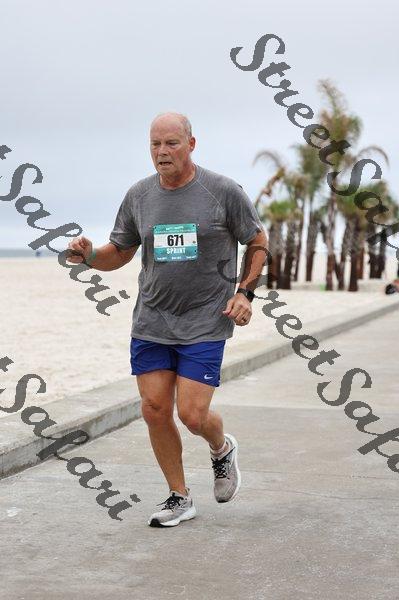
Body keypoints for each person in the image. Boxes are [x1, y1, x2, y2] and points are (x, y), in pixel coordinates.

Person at [66, 112, 268, 527]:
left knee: (192, 415)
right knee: (155, 409)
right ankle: (179, 497)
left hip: (206, 320)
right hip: (153, 320)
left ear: (191, 144)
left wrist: (245, 292)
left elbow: (257, 240)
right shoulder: (139, 195)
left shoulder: (222, 191)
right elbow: (119, 252)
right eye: (155, 144)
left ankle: (221, 447)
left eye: (171, 143)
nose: (162, 152)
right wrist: (89, 255)